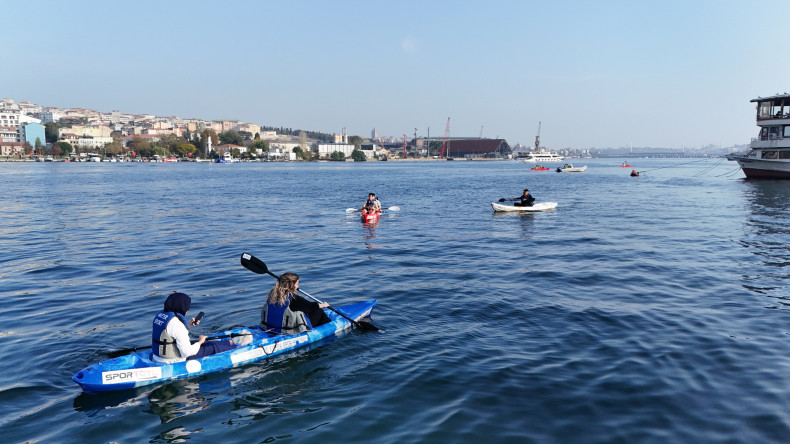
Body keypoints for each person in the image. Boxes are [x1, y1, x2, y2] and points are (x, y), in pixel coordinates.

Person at [152, 292, 252, 364]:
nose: (187, 311)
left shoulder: (161, 315)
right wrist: (200, 342)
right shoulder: (177, 324)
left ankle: (230, 342)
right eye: (186, 308)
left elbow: (170, 334)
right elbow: (186, 353)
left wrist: (189, 325)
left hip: (158, 357)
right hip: (172, 360)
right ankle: (237, 347)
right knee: (211, 347)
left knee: (204, 343)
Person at [261, 272, 331, 334]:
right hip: (287, 330)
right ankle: (329, 327)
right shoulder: (294, 299)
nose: (298, 286)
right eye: (297, 284)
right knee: (319, 311)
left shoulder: (271, 295)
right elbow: (311, 306)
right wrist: (323, 305)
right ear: (292, 285)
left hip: (269, 326)